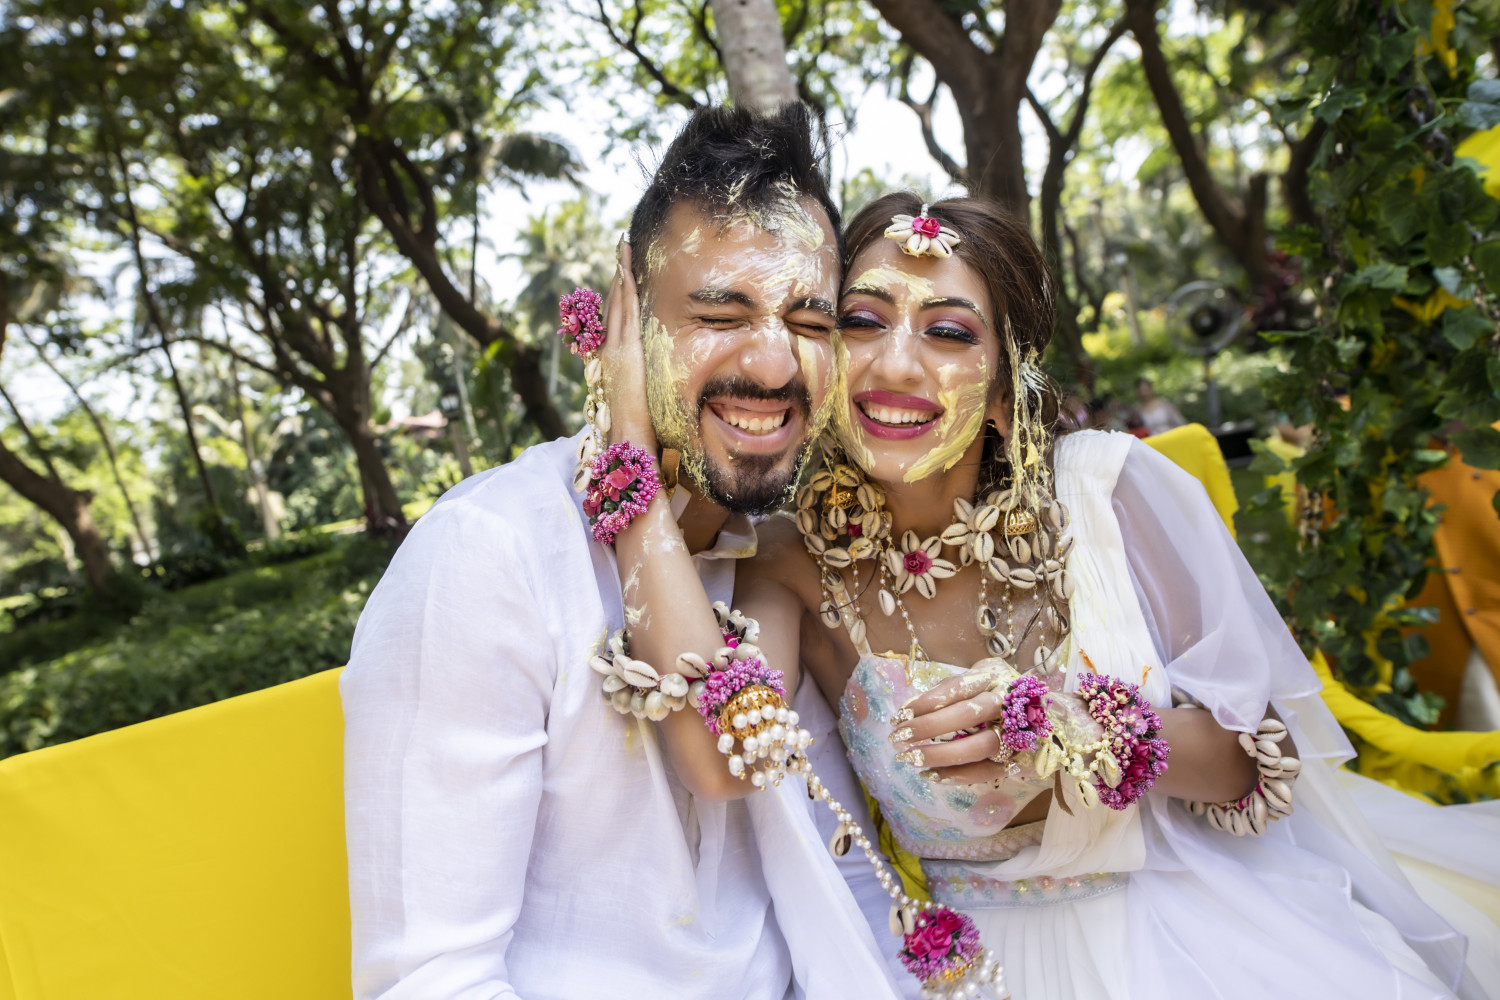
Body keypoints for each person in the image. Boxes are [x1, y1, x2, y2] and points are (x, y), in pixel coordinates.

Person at [599, 193, 1500, 999]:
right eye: (863, 321)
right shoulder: (790, 564)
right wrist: (629, 449)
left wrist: (1065, 732)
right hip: (966, 973)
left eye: (949, 332)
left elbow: (1245, 756)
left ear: (1005, 389)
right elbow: (719, 764)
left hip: (1189, 934)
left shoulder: (1109, 493)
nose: (895, 363)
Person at [339, 104, 905, 1000]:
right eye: (720, 312)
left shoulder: (770, 564)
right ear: (622, 328)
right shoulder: (487, 558)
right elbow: (431, 980)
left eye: (809, 322)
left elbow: (845, 887)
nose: (773, 366)